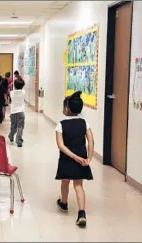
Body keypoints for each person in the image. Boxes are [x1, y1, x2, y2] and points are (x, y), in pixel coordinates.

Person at [55, 91, 94, 228]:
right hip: (82, 158)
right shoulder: (84, 123)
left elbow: (61, 145)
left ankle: (64, 203)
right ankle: (81, 213)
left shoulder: (61, 124)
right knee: (78, 185)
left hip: (67, 159)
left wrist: (74, 157)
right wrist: (88, 158)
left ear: (66, 108)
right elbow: (91, 140)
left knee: (65, 182)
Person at [8, 79, 25, 147]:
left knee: (13, 126)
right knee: (20, 127)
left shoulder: (12, 93)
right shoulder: (23, 92)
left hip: (13, 112)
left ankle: (11, 137)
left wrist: (12, 85)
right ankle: (19, 141)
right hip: (21, 112)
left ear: (14, 85)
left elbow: (10, 90)